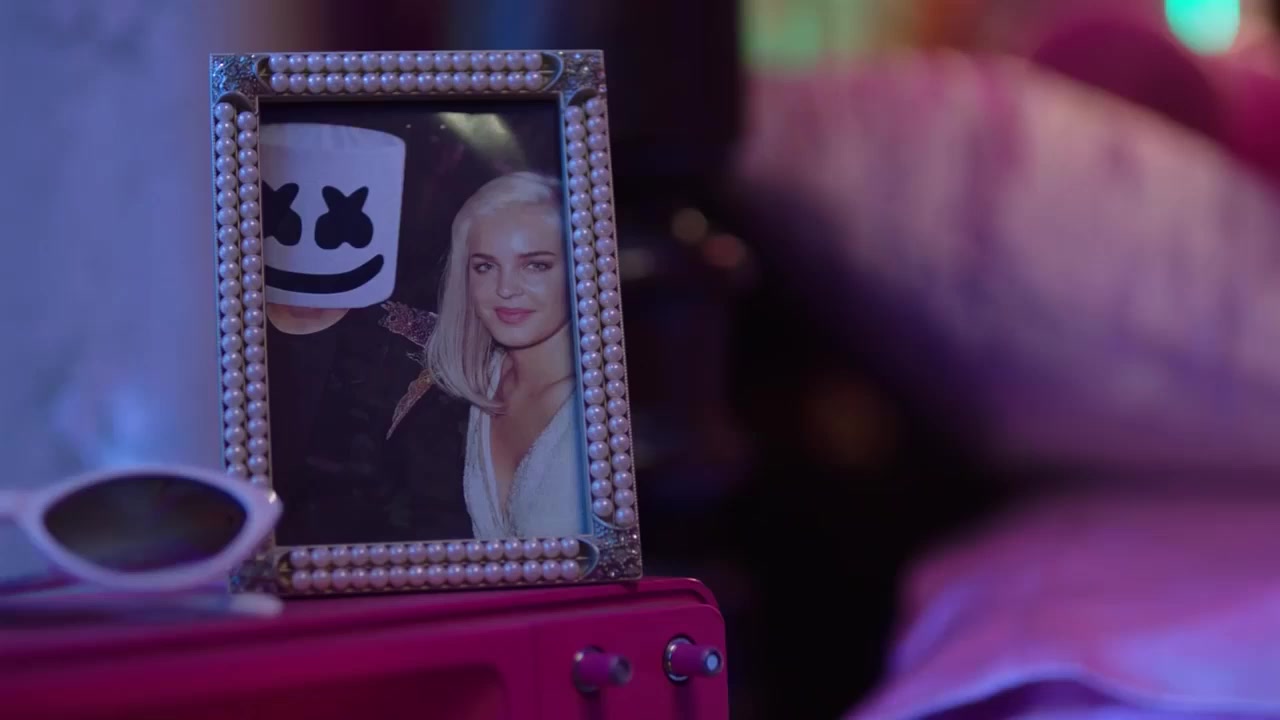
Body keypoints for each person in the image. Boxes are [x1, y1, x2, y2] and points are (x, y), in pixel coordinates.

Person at [425, 171, 587, 539]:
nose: (506, 288)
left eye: (535, 265)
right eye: (485, 266)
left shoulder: (597, 402)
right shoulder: (480, 384)